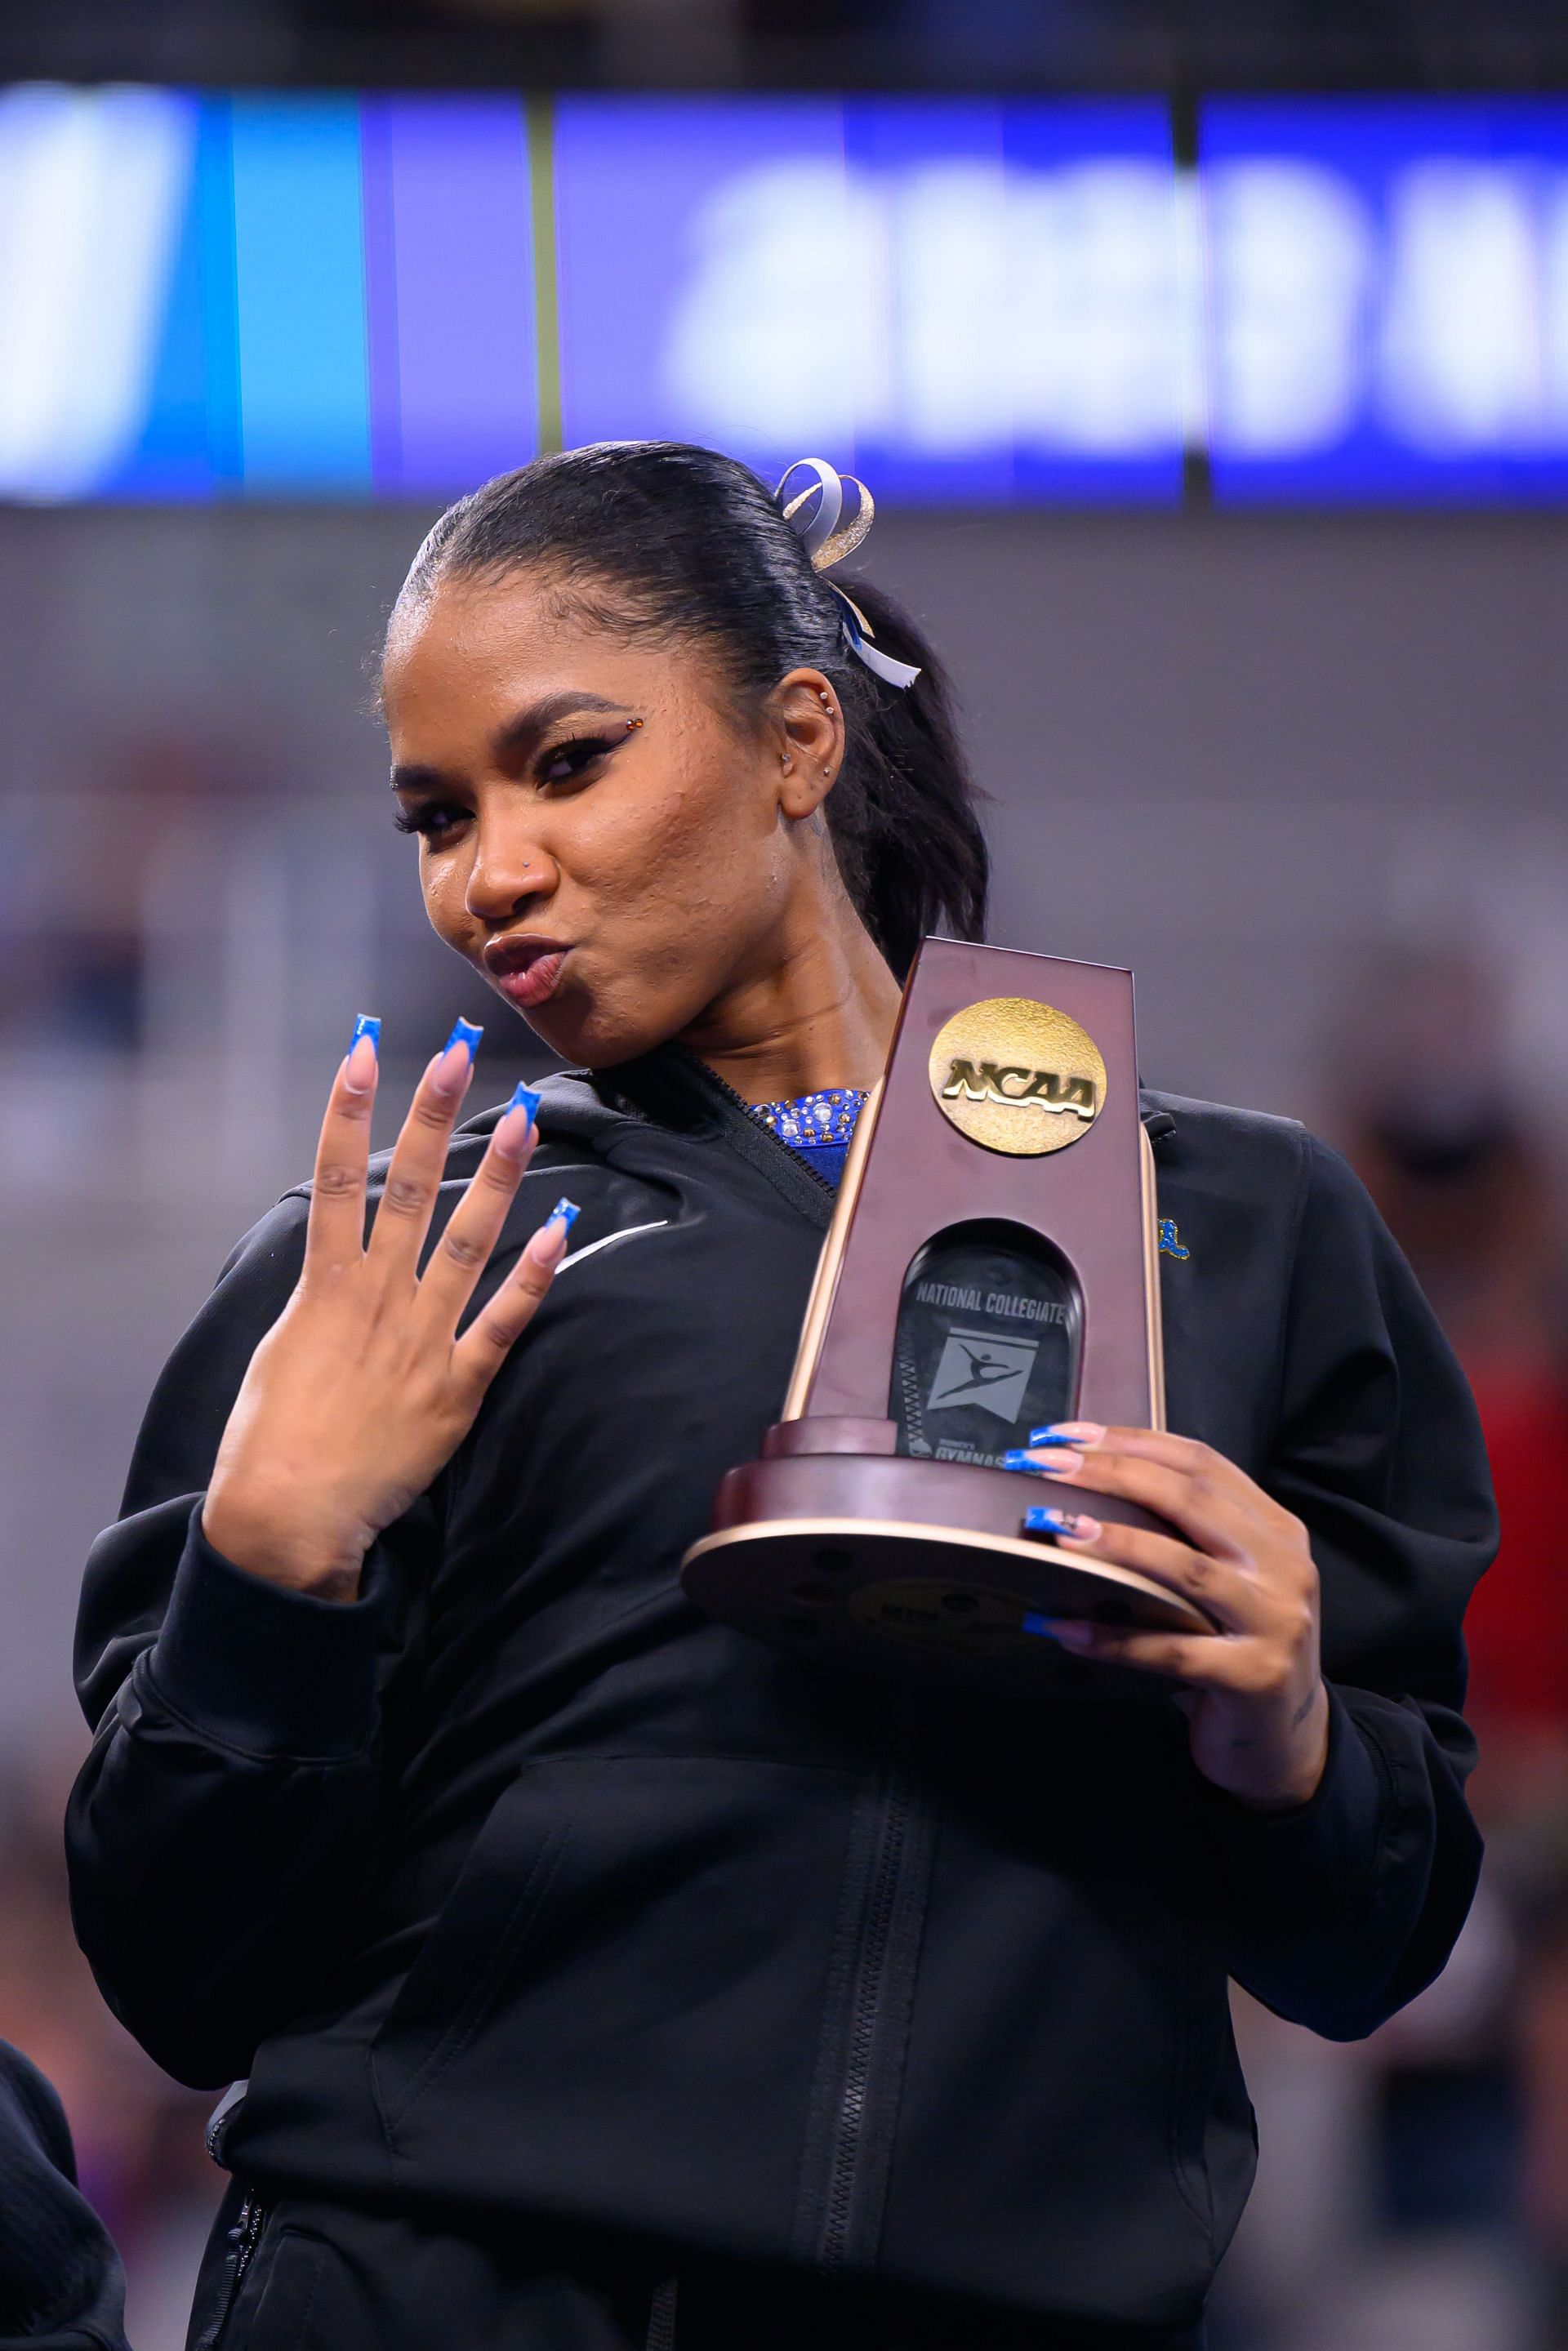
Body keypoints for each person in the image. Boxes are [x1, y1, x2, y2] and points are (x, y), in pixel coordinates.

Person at [65, 443, 1495, 2351]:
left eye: (567, 764)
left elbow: (1370, 1946)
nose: (491, 873)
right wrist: (263, 1570)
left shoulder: (1242, 1230)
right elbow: (182, 1977)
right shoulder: (394, 1265)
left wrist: (1293, 1744)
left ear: (799, 737)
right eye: (434, 814)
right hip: (433, 2298)